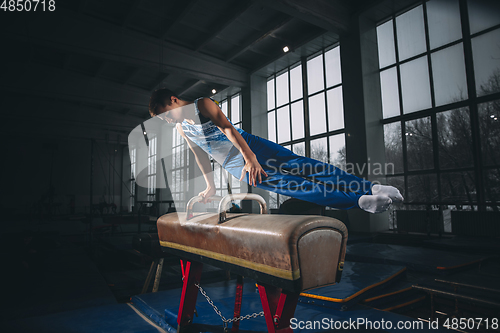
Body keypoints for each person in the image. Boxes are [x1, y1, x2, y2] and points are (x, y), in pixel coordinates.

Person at [148, 89, 404, 213]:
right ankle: (358, 201)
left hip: (249, 145)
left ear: (173, 100)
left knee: (304, 166)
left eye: (164, 115)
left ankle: (369, 188)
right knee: (292, 185)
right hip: (233, 164)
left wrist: (251, 158)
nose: (167, 121)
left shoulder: (202, 104)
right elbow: (200, 156)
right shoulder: (183, 130)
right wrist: (210, 186)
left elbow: (227, 129)